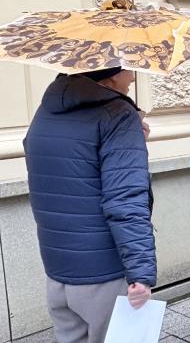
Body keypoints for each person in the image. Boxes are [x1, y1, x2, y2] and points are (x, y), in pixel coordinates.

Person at [24, 67, 156, 343]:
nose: (133, 76)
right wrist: (141, 274)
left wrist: (131, 145)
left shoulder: (47, 110)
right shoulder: (117, 114)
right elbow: (126, 200)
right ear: (108, 76)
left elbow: (66, 174)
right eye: (128, 69)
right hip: (103, 273)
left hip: (58, 272)